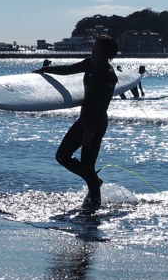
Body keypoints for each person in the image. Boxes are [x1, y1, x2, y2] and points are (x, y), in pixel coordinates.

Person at [34, 36, 119, 207]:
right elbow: (68, 70)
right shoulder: (90, 63)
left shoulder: (109, 76)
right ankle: (94, 181)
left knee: (88, 165)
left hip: (95, 124)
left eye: (95, 48)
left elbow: (103, 106)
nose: (92, 51)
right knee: (62, 156)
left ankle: (94, 205)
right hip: (83, 121)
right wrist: (45, 70)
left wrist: (91, 130)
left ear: (105, 53)